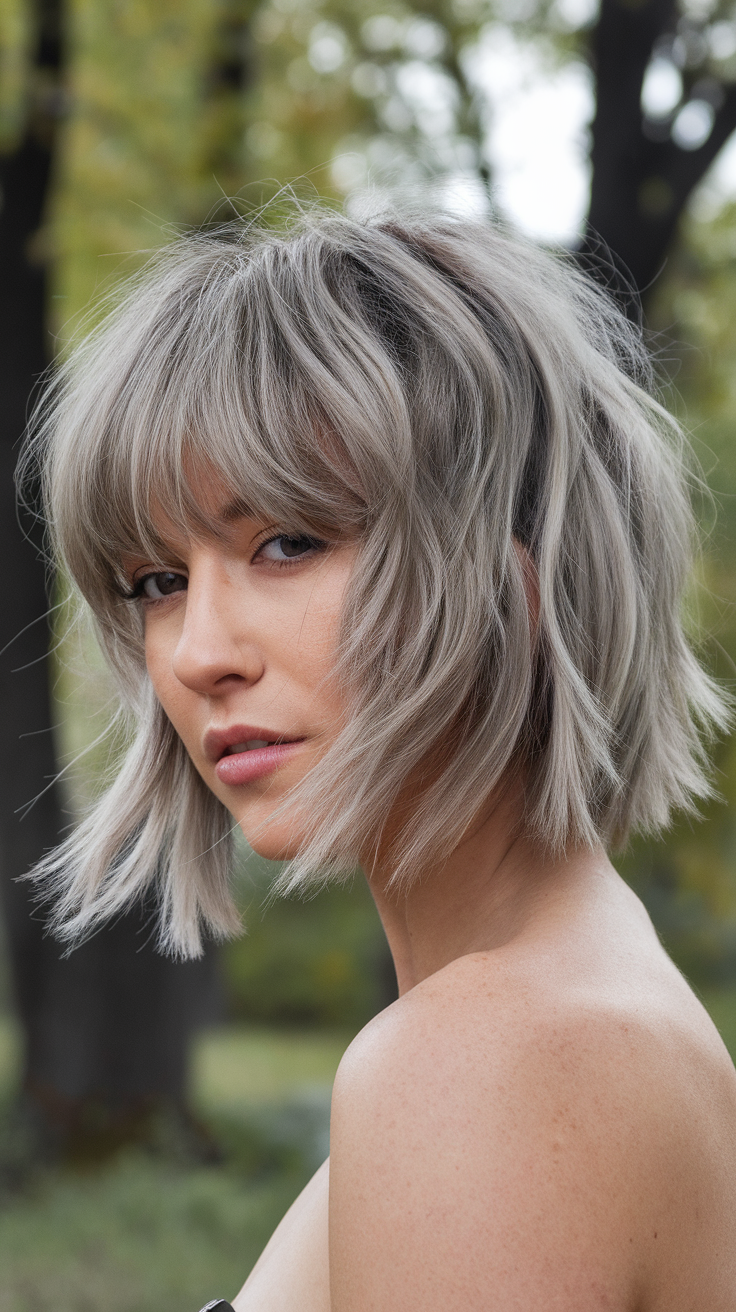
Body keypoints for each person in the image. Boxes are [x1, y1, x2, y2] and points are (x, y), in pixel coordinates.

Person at [22, 204, 736, 1310]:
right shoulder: (565, 1015)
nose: (200, 652)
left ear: (517, 570)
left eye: (288, 541)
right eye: (156, 581)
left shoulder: (490, 1062)